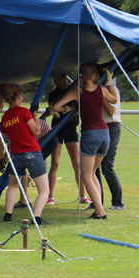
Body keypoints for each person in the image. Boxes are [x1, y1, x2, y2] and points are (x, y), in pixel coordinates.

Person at [50, 62, 118, 220]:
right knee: (92, 173)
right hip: (105, 134)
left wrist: (69, 108)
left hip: (90, 135)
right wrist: (109, 83)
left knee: (86, 176)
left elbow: (54, 106)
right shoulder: (101, 90)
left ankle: (101, 212)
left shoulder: (77, 92)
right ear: (94, 75)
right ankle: (98, 210)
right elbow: (114, 100)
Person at [0, 83, 51, 225]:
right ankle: (36, 218)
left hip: (15, 155)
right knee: (44, 190)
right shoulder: (24, 112)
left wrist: (1, 159)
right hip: (32, 152)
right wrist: (35, 115)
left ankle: (8, 215)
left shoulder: (5, 117)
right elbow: (36, 131)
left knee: (13, 185)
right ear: (19, 95)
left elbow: (3, 140)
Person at [46, 75, 82, 205]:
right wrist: (53, 111)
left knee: (77, 163)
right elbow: (56, 113)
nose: (57, 82)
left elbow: (76, 109)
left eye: (59, 79)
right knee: (55, 162)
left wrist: (67, 109)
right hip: (57, 129)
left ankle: (83, 195)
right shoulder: (52, 94)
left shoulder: (74, 90)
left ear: (65, 78)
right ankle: (51, 196)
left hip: (71, 128)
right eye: (55, 80)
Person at [96, 76, 124, 211]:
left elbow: (112, 111)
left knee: (107, 165)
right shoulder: (96, 90)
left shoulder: (112, 91)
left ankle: (118, 202)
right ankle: (97, 201)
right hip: (98, 127)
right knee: (93, 167)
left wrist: (100, 97)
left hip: (111, 127)